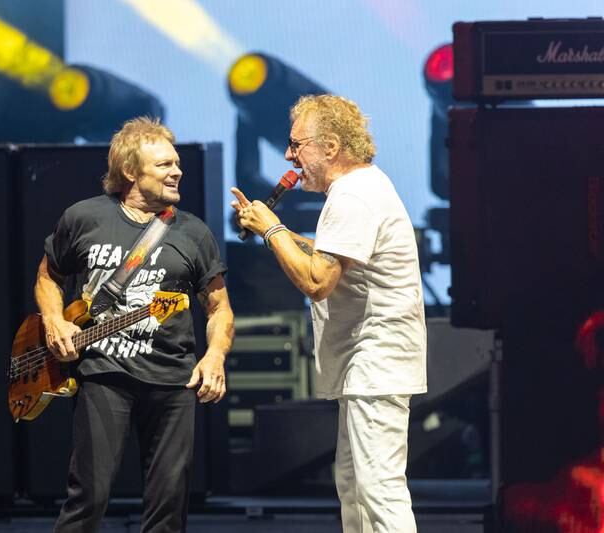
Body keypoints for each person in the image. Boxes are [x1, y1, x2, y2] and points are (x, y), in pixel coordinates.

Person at [231, 94, 427, 533]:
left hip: (375, 365)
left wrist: (272, 230)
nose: (288, 155)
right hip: (367, 367)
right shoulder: (359, 189)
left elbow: (317, 281)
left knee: (378, 492)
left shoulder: (353, 196)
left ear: (332, 147)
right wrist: (271, 229)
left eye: (297, 144)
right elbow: (333, 254)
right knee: (356, 488)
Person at [36, 117, 234, 533]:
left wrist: (215, 356)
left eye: (177, 162)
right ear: (130, 171)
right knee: (88, 497)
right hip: (104, 374)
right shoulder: (84, 217)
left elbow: (219, 309)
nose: (177, 170)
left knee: (169, 504)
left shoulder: (194, 233)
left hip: (173, 381)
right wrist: (54, 320)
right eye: (164, 165)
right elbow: (48, 277)